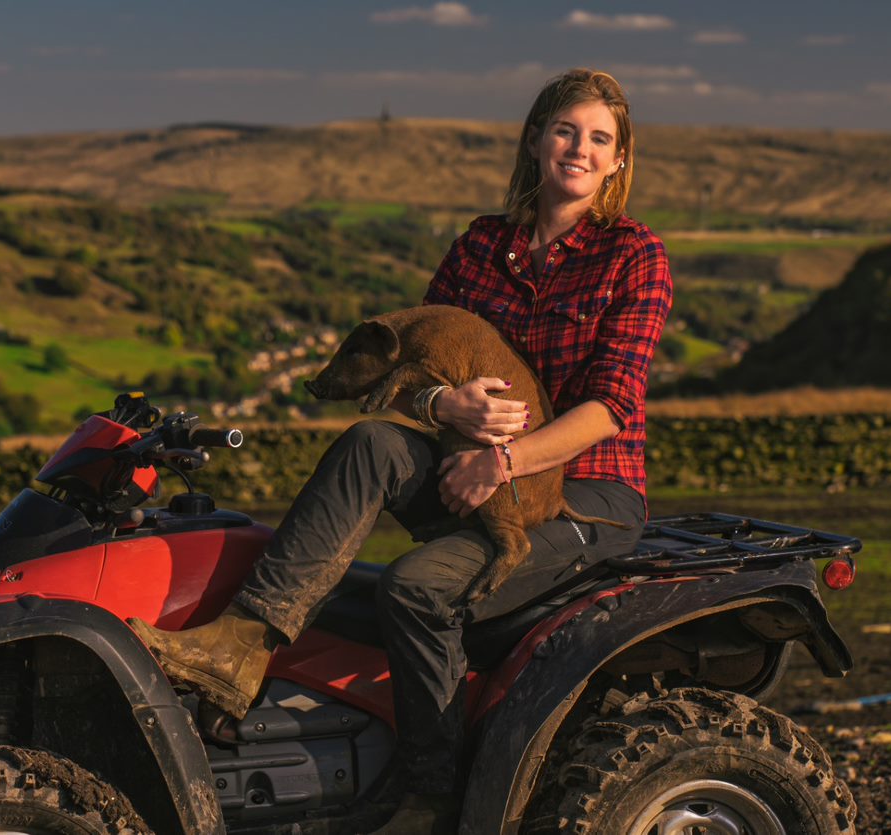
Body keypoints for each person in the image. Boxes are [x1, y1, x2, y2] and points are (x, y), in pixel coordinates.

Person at [128, 67, 672, 833]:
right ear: (533, 139)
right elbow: (407, 362)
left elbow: (610, 407)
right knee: (368, 443)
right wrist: (439, 403)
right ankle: (239, 647)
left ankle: (432, 791)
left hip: (585, 493)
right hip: (469, 469)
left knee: (414, 586)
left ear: (618, 161)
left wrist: (504, 460)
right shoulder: (482, 246)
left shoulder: (633, 255)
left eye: (598, 139)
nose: (577, 149)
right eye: (563, 130)